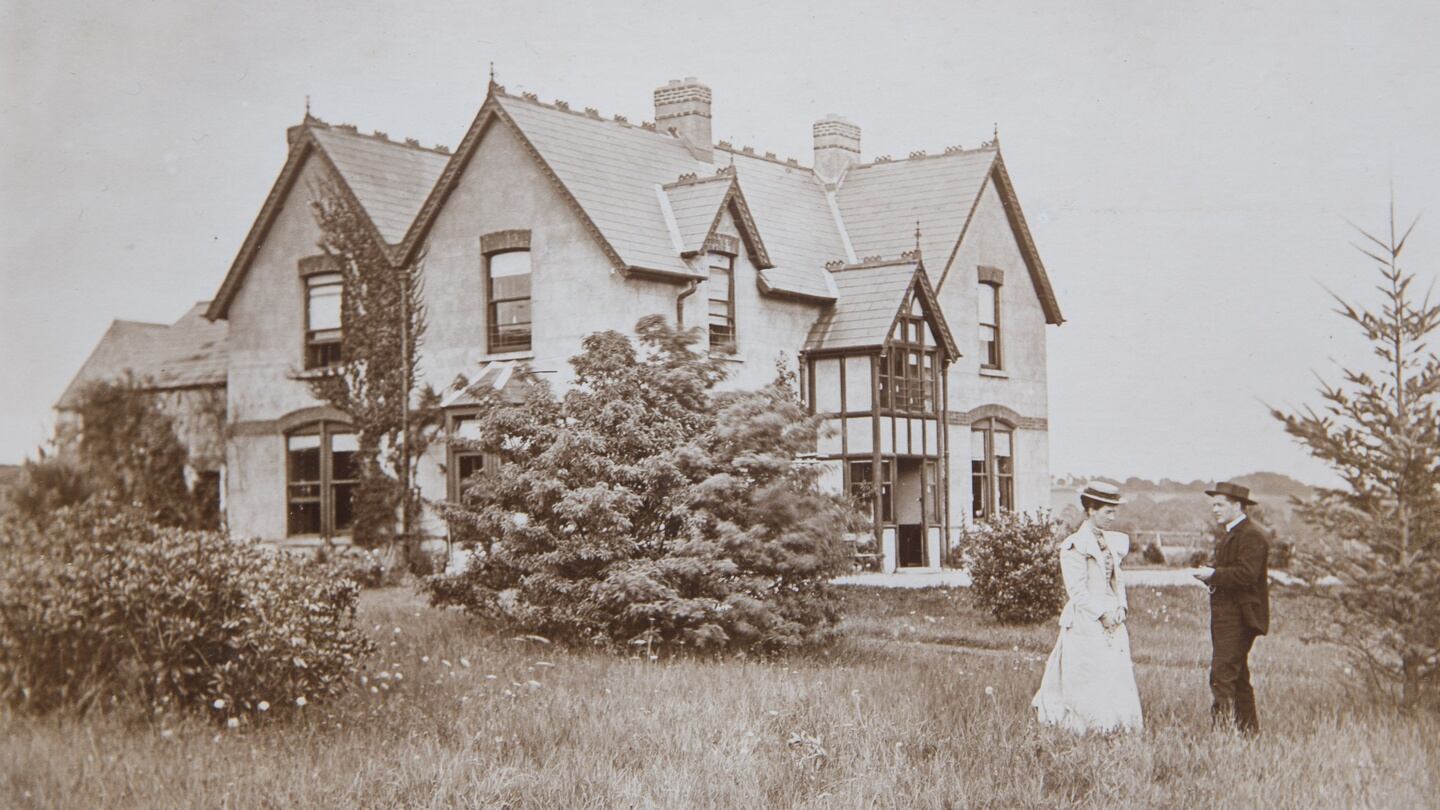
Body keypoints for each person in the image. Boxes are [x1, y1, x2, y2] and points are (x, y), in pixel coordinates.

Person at [1032, 481, 1143, 733]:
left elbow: (1117, 579)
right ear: (1091, 510)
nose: (1113, 517)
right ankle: (1090, 724)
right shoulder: (1074, 545)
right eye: (1107, 511)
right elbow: (1077, 590)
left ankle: (1117, 724)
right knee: (1088, 672)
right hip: (1086, 618)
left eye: (1115, 511)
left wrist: (1121, 607)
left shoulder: (1112, 542)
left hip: (1113, 614)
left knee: (1115, 670)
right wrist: (1101, 614)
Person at [1193, 481, 1270, 735]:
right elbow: (1236, 573)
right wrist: (1211, 575)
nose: (1215, 509)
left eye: (1220, 504)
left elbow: (1247, 575)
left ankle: (1222, 736)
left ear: (1237, 506)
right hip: (1229, 616)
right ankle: (1249, 733)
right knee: (1237, 677)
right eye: (1213, 505)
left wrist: (1213, 575)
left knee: (1222, 674)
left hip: (1240, 617)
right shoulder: (1234, 533)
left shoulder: (1251, 535)